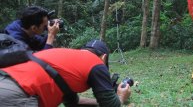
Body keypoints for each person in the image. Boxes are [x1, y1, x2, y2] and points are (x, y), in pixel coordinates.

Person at [0, 39, 131, 106]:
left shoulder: (67, 60)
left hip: (6, 82)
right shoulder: (96, 63)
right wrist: (120, 97)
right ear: (104, 57)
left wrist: (99, 102)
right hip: (19, 93)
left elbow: (73, 103)